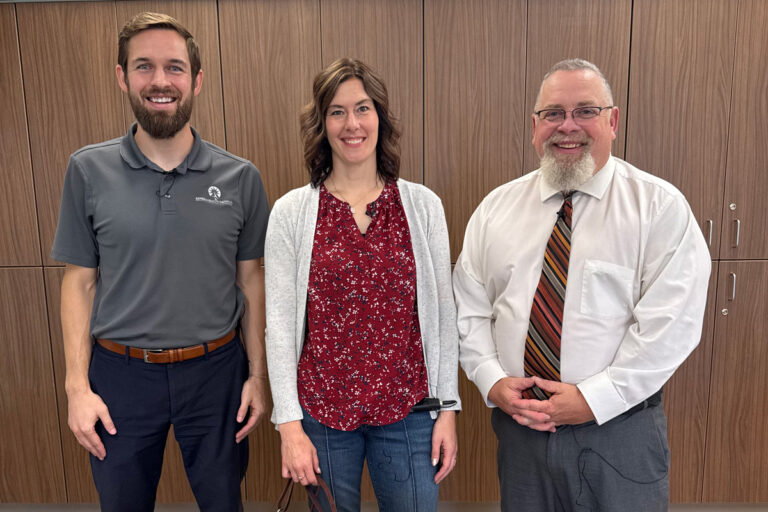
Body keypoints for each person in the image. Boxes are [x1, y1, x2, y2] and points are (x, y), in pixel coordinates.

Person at [453, 58, 711, 511]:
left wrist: (593, 400)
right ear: (535, 126)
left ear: (612, 121)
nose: (567, 126)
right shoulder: (496, 209)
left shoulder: (658, 207)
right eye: (553, 113)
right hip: (522, 435)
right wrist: (490, 379)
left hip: (619, 433)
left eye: (585, 111)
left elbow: (672, 325)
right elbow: (468, 307)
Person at [51, 12, 270, 512]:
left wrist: (258, 377)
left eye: (174, 68)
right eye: (144, 66)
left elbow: (252, 283)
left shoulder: (241, 178)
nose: (160, 81)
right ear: (122, 77)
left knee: (223, 503)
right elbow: (79, 283)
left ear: (195, 81)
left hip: (216, 374)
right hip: (119, 376)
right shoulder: (88, 170)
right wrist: (76, 388)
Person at [265, 57, 460, 512]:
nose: (351, 123)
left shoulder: (422, 207)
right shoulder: (292, 214)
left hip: (409, 409)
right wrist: (289, 426)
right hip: (322, 411)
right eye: (336, 111)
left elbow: (443, 316)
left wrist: (447, 409)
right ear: (322, 124)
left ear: (380, 118)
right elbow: (278, 321)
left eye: (362, 108)